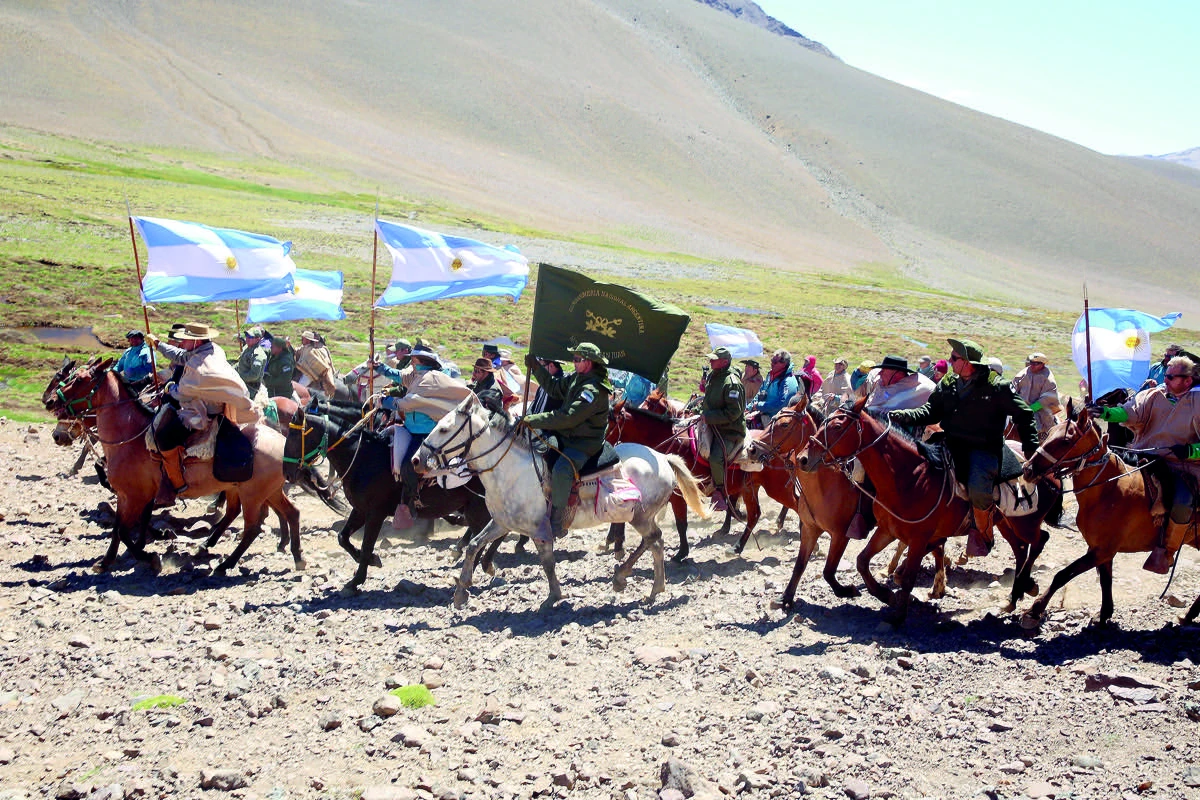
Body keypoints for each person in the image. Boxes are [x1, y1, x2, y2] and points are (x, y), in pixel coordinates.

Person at [889, 338, 1037, 557]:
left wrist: (1031, 449)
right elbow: (931, 411)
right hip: (949, 442)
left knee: (978, 487)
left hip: (983, 449)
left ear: (968, 363)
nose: (949, 361)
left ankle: (983, 533)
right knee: (918, 468)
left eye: (954, 358)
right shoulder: (949, 382)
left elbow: (1024, 414)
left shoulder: (997, 387)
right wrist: (904, 416)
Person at [1089, 354, 1200, 573]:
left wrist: (1191, 450)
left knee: (1183, 500)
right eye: (1166, 374)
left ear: (1188, 380)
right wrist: (1106, 412)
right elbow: (1129, 412)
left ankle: (1167, 550)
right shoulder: (1153, 394)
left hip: (1183, 464)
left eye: (1171, 377)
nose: (1165, 379)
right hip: (1145, 455)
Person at [145, 323, 260, 505]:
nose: (182, 343)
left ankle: (177, 483)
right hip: (204, 401)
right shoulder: (211, 349)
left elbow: (182, 393)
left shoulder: (200, 366)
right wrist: (158, 345)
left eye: (185, 340)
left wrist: (169, 388)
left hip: (202, 411)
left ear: (196, 341)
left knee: (164, 436)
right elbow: (181, 356)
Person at [522, 343, 613, 540]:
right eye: (574, 358)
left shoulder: (593, 390)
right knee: (538, 451)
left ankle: (557, 522)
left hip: (583, 443)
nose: (574, 362)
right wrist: (536, 367)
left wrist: (533, 420)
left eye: (577, 359)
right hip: (567, 435)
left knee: (562, 469)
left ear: (589, 362)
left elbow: (568, 418)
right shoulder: (576, 378)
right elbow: (555, 388)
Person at [376, 346, 471, 526]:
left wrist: (387, 402)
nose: (411, 362)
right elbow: (399, 376)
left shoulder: (431, 379)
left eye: (414, 359)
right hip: (411, 429)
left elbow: (410, 402)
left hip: (425, 433)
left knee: (408, 465)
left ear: (423, 361)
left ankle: (412, 500)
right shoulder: (417, 375)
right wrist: (379, 367)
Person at [701, 346, 747, 517]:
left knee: (716, 457)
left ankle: (719, 491)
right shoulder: (714, 376)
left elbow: (734, 413)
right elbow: (709, 401)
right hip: (712, 424)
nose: (710, 361)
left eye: (714, 359)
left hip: (729, 431)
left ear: (725, 362)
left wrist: (709, 417)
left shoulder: (732, 383)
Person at [1009, 353, 1060, 440]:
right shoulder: (1022, 374)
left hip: (1040, 409)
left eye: (1036, 363)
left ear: (1042, 364)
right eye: (1031, 362)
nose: (1032, 365)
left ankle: (1044, 437)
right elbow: (1012, 388)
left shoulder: (1048, 379)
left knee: (1043, 424)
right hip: (1021, 406)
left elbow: (1047, 399)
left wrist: (1031, 409)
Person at [865, 355, 935, 413]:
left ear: (898, 374)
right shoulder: (881, 382)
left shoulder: (913, 388)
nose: (879, 373)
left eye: (883, 370)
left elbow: (879, 409)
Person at [754, 349, 799, 422]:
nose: (772, 363)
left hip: (778, 420)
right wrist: (750, 407)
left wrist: (759, 406)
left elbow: (781, 403)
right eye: (772, 360)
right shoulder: (771, 375)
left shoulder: (787, 381)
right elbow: (761, 391)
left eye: (775, 362)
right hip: (763, 413)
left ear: (784, 364)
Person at [294, 331, 339, 396]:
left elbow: (317, 363)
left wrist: (319, 369)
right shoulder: (304, 348)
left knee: (299, 388)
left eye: (303, 338)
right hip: (305, 371)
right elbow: (297, 351)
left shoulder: (311, 350)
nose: (301, 340)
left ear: (307, 340)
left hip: (309, 374)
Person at [236, 326, 268, 399]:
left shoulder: (258, 355)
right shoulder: (247, 348)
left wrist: (238, 377)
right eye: (247, 336)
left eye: (250, 337)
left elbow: (254, 375)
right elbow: (240, 364)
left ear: (257, 339)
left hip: (251, 388)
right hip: (242, 383)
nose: (247, 338)